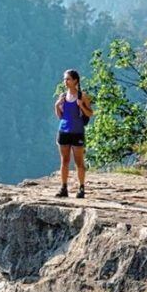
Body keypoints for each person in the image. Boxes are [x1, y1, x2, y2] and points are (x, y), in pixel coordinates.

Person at [54, 69, 93, 199]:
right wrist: (57, 105)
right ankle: (63, 187)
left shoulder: (83, 96)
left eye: (68, 79)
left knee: (79, 162)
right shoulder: (63, 96)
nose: (65, 82)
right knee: (64, 161)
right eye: (64, 79)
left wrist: (81, 106)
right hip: (64, 131)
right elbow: (60, 116)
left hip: (77, 132)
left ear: (75, 80)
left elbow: (89, 114)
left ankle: (81, 188)